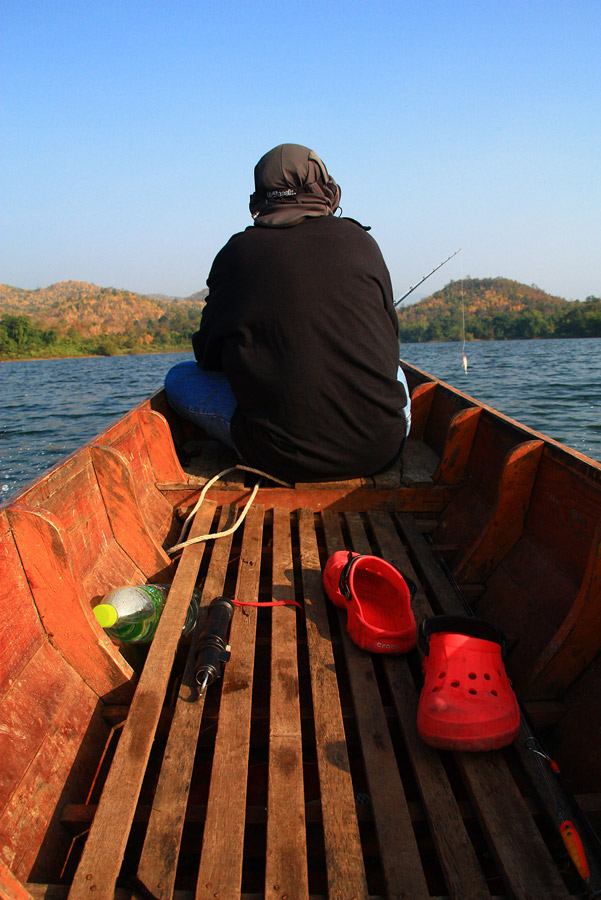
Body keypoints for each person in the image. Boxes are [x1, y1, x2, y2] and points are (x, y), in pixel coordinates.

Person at [165, 143, 410, 484]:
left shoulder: (236, 254)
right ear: (325, 188)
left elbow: (207, 359)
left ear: (260, 198)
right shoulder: (362, 243)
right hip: (381, 450)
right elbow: (387, 343)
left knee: (178, 376)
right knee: (397, 372)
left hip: (275, 456)